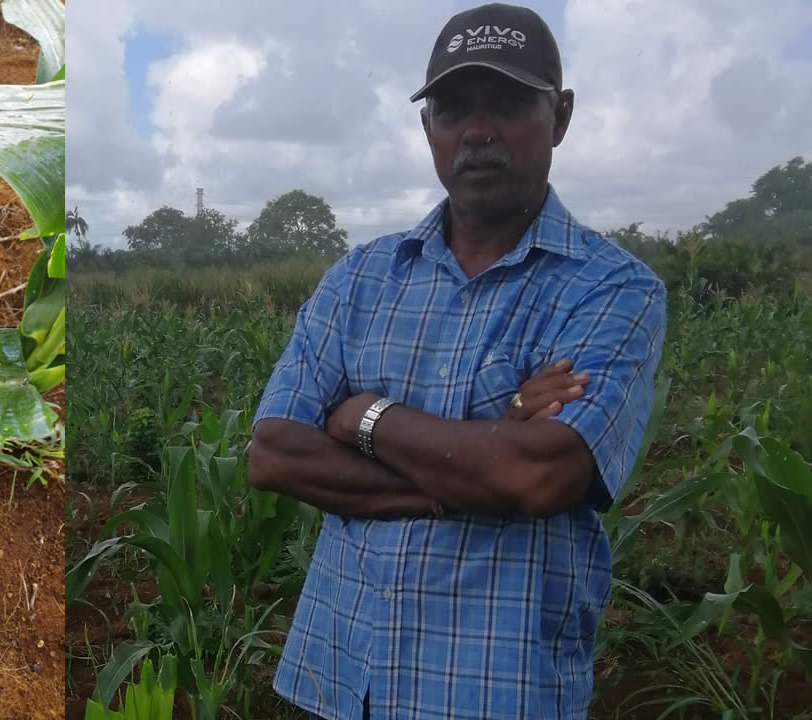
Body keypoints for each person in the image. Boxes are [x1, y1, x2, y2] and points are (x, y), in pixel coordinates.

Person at [248, 3, 667, 719]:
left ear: (560, 117)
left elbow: (538, 472)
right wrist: (472, 462)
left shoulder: (614, 289)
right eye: (452, 109)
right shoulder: (359, 278)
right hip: (341, 680)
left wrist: (362, 417)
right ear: (426, 129)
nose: (477, 131)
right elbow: (275, 453)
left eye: (507, 103)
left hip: (498, 692)